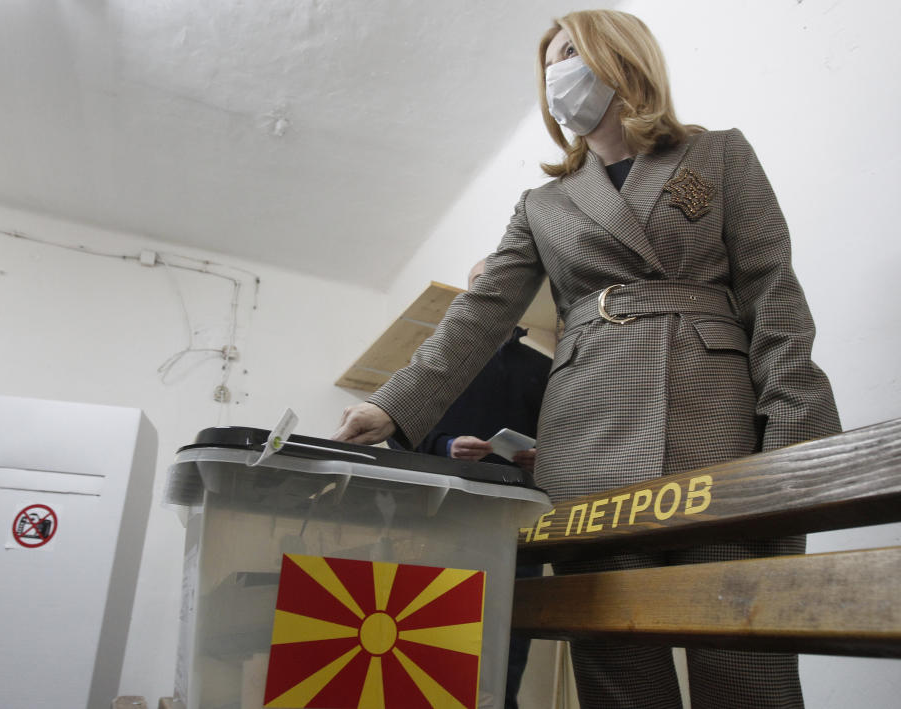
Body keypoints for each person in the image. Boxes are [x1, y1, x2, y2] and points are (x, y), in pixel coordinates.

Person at [334, 9, 840, 708]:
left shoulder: (717, 154)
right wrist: (392, 402)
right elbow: (481, 312)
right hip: (588, 433)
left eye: (568, 51)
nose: (555, 72)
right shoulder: (543, 203)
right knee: (616, 662)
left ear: (618, 53)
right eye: (548, 63)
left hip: (714, 422)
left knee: (744, 645)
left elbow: (774, 296)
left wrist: (792, 435)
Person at [389, 257, 551, 709]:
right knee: (431, 642)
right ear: (470, 294)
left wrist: (542, 457)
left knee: (507, 645)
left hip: (515, 525)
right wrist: (445, 446)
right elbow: (398, 437)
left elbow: (562, 439)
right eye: (484, 283)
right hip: (441, 521)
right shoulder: (434, 361)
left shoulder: (542, 369)